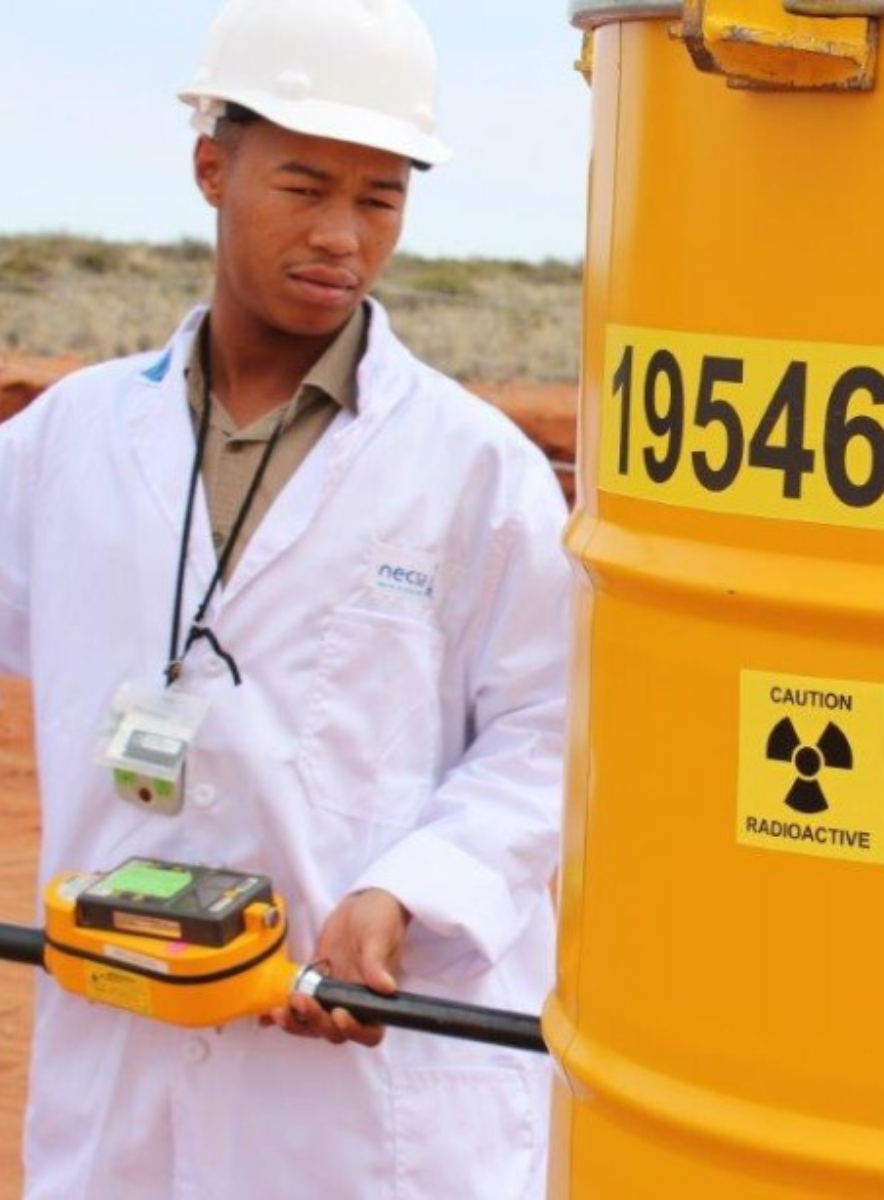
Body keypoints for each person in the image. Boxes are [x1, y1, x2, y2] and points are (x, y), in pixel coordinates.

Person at [0, 0, 569, 1195]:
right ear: (212, 168)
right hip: (122, 1074)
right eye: (304, 187)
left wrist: (411, 891)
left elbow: (556, 731)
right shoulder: (69, 438)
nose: (340, 237)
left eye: (380, 199)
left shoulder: (475, 471)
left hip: (361, 1099)